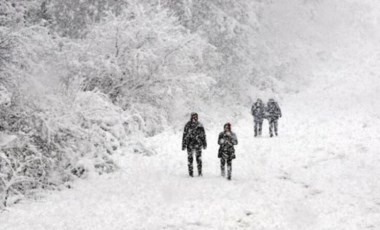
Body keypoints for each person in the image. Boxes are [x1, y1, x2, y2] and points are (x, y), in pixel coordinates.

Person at [182, 112, 207, 177]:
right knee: (190, 159)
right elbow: (184, 135)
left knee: (199, 159)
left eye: (196, 116)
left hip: (198, 144)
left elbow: (203, 135)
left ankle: (200, 172)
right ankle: (191, 173)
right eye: (194, 116)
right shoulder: (188, 125)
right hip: (190, 144)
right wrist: (183, 145)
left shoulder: (200, 125)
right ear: (191, 117)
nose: (195, 118)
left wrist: (204, 143)